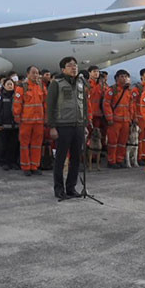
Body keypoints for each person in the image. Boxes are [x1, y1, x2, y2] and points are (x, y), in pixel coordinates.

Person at [47, 56, 90, 200]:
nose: (74, 67)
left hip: (78, 125)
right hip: (62, 126)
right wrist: (52, 127)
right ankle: (59, 189)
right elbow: (50, 106)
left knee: (76, 159)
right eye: (70, 65)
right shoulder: (56, 83)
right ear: (63, 69)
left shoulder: (81, 83)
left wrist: (85, 124)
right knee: (60, 159)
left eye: (75, 65)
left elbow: (83, 105)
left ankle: (71, 188)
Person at [13, 66, 47, 175]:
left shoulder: (41, 86)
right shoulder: (21, 87)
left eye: (37, 73)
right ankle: (26, 166)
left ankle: (34, 165)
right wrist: (17, 116)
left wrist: (46, 117)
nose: (35, 75)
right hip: (26, 121)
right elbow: (17, 104)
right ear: (27, 74)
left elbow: (45, 103)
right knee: (24, 144)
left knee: (37, 144)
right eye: (33, 73)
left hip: (39, 121)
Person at [103, 69, 134, 168]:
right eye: (122, 76)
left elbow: (131, 106)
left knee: (122, 142)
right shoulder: (112, 90)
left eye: (125, 76)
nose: (124, 78)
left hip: (125, 120)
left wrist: (131, 118)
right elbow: (106, 104)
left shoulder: (129, 90)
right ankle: (111, 161)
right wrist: (109, 118)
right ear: (117, 78)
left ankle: (120, 159)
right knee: (112, 142)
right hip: (115, 121)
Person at [0, 78, 19, 170]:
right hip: (4, 126)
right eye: (8, 84)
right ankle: (3, 162)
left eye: (11, 84)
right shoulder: (0, 97)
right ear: (4, 86)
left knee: (13, 145)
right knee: (3, 144)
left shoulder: (16, 96)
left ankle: (12, 162)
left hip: (15, 126)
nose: (10, 86)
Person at [131, 68, 145, 165]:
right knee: (140, 138)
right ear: (141, 76)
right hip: (140, 117)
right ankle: (139, 157)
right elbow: (133, 104)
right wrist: (134, 116)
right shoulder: (137, 88)